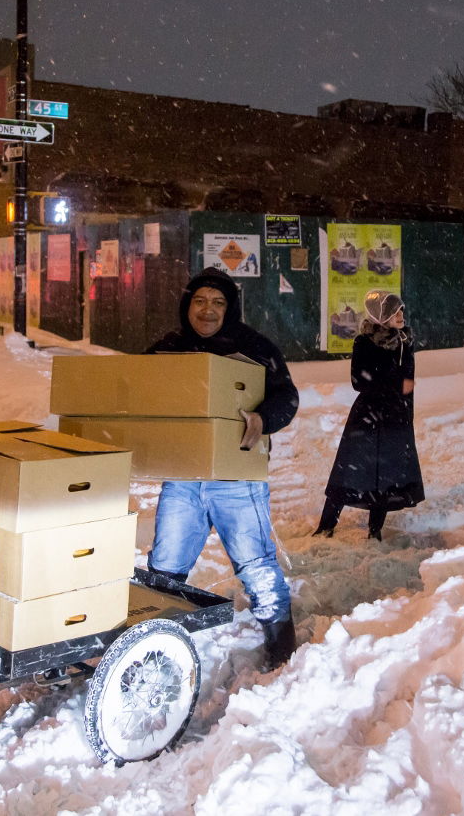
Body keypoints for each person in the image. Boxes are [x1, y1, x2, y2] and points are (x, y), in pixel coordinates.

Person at [145, 267, 300, 672]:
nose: (208, 310)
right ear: (187, 305)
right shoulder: (169, 347)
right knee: (164, 566)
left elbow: (287, 396)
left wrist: (262, 419)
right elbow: (138, 391)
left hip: (237, 480)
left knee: (257, 568)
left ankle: (282, 653)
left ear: (229, 308)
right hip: (183, 477)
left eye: (218, 302)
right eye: (199, 301)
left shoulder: (255, 347)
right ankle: (152, 650)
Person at [314, 290, 423, 541]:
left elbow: (409, 383)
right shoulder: (365, 341)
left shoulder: (406, 341)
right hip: (368, 416)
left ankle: (375, 531)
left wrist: (407, 416)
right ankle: (326, 525)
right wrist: (394, 383)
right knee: (349, 471)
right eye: (394, 312)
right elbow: (359, 381)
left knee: (386, 475)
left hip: (396, 417)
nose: (401, 315)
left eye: (401, 310)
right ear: (381, 315)